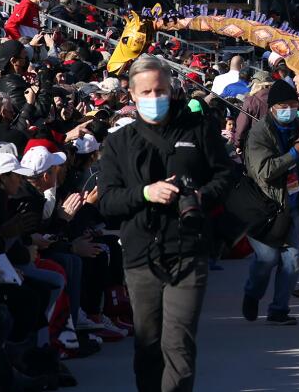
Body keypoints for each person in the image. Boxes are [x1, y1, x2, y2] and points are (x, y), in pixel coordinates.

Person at [95, 55, 238, 392]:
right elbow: (107, 201)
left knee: (178, 343)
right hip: (140, 254)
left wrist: (201, 195)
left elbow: (226, 175)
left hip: (188, 250)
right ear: (132, 95)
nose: (154, 97)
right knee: (148, 345)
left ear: (171, 89)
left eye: (160, 90)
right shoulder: (119, 142)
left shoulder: (198, 130)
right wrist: (145, 193)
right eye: (146, 92)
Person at [241, 79, 299, 325]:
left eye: (293, 104)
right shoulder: (259, 133)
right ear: (272, 107)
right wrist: (294, 155)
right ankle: (252, 293)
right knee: (267, 260)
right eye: (284, 105)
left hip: (291, 205)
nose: (289, 110)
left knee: (292, 262)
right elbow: (265, 171)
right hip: (265, 207)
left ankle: (279, 310)